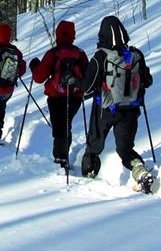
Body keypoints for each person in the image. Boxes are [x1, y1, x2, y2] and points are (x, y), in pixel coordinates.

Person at [79, 15, 153, 188]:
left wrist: (74, 81)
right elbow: (148, 81)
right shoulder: (135, 54)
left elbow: (87, 86)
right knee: (125, 149)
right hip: (130, 109)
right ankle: (140, 171)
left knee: (94, 146)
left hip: (105, 110)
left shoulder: (100, 57)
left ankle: (87, 177)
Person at [29, 21, 89, 169]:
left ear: (57, 34)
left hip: (56, 96)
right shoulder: (80, 54)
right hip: (74, 96)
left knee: (59, 128)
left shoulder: (53, 53)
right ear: (73, 35)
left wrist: (34, 66)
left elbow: (39, 77)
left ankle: (60, 158)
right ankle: (63, 156)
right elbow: (87, 77)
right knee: (66, 125)